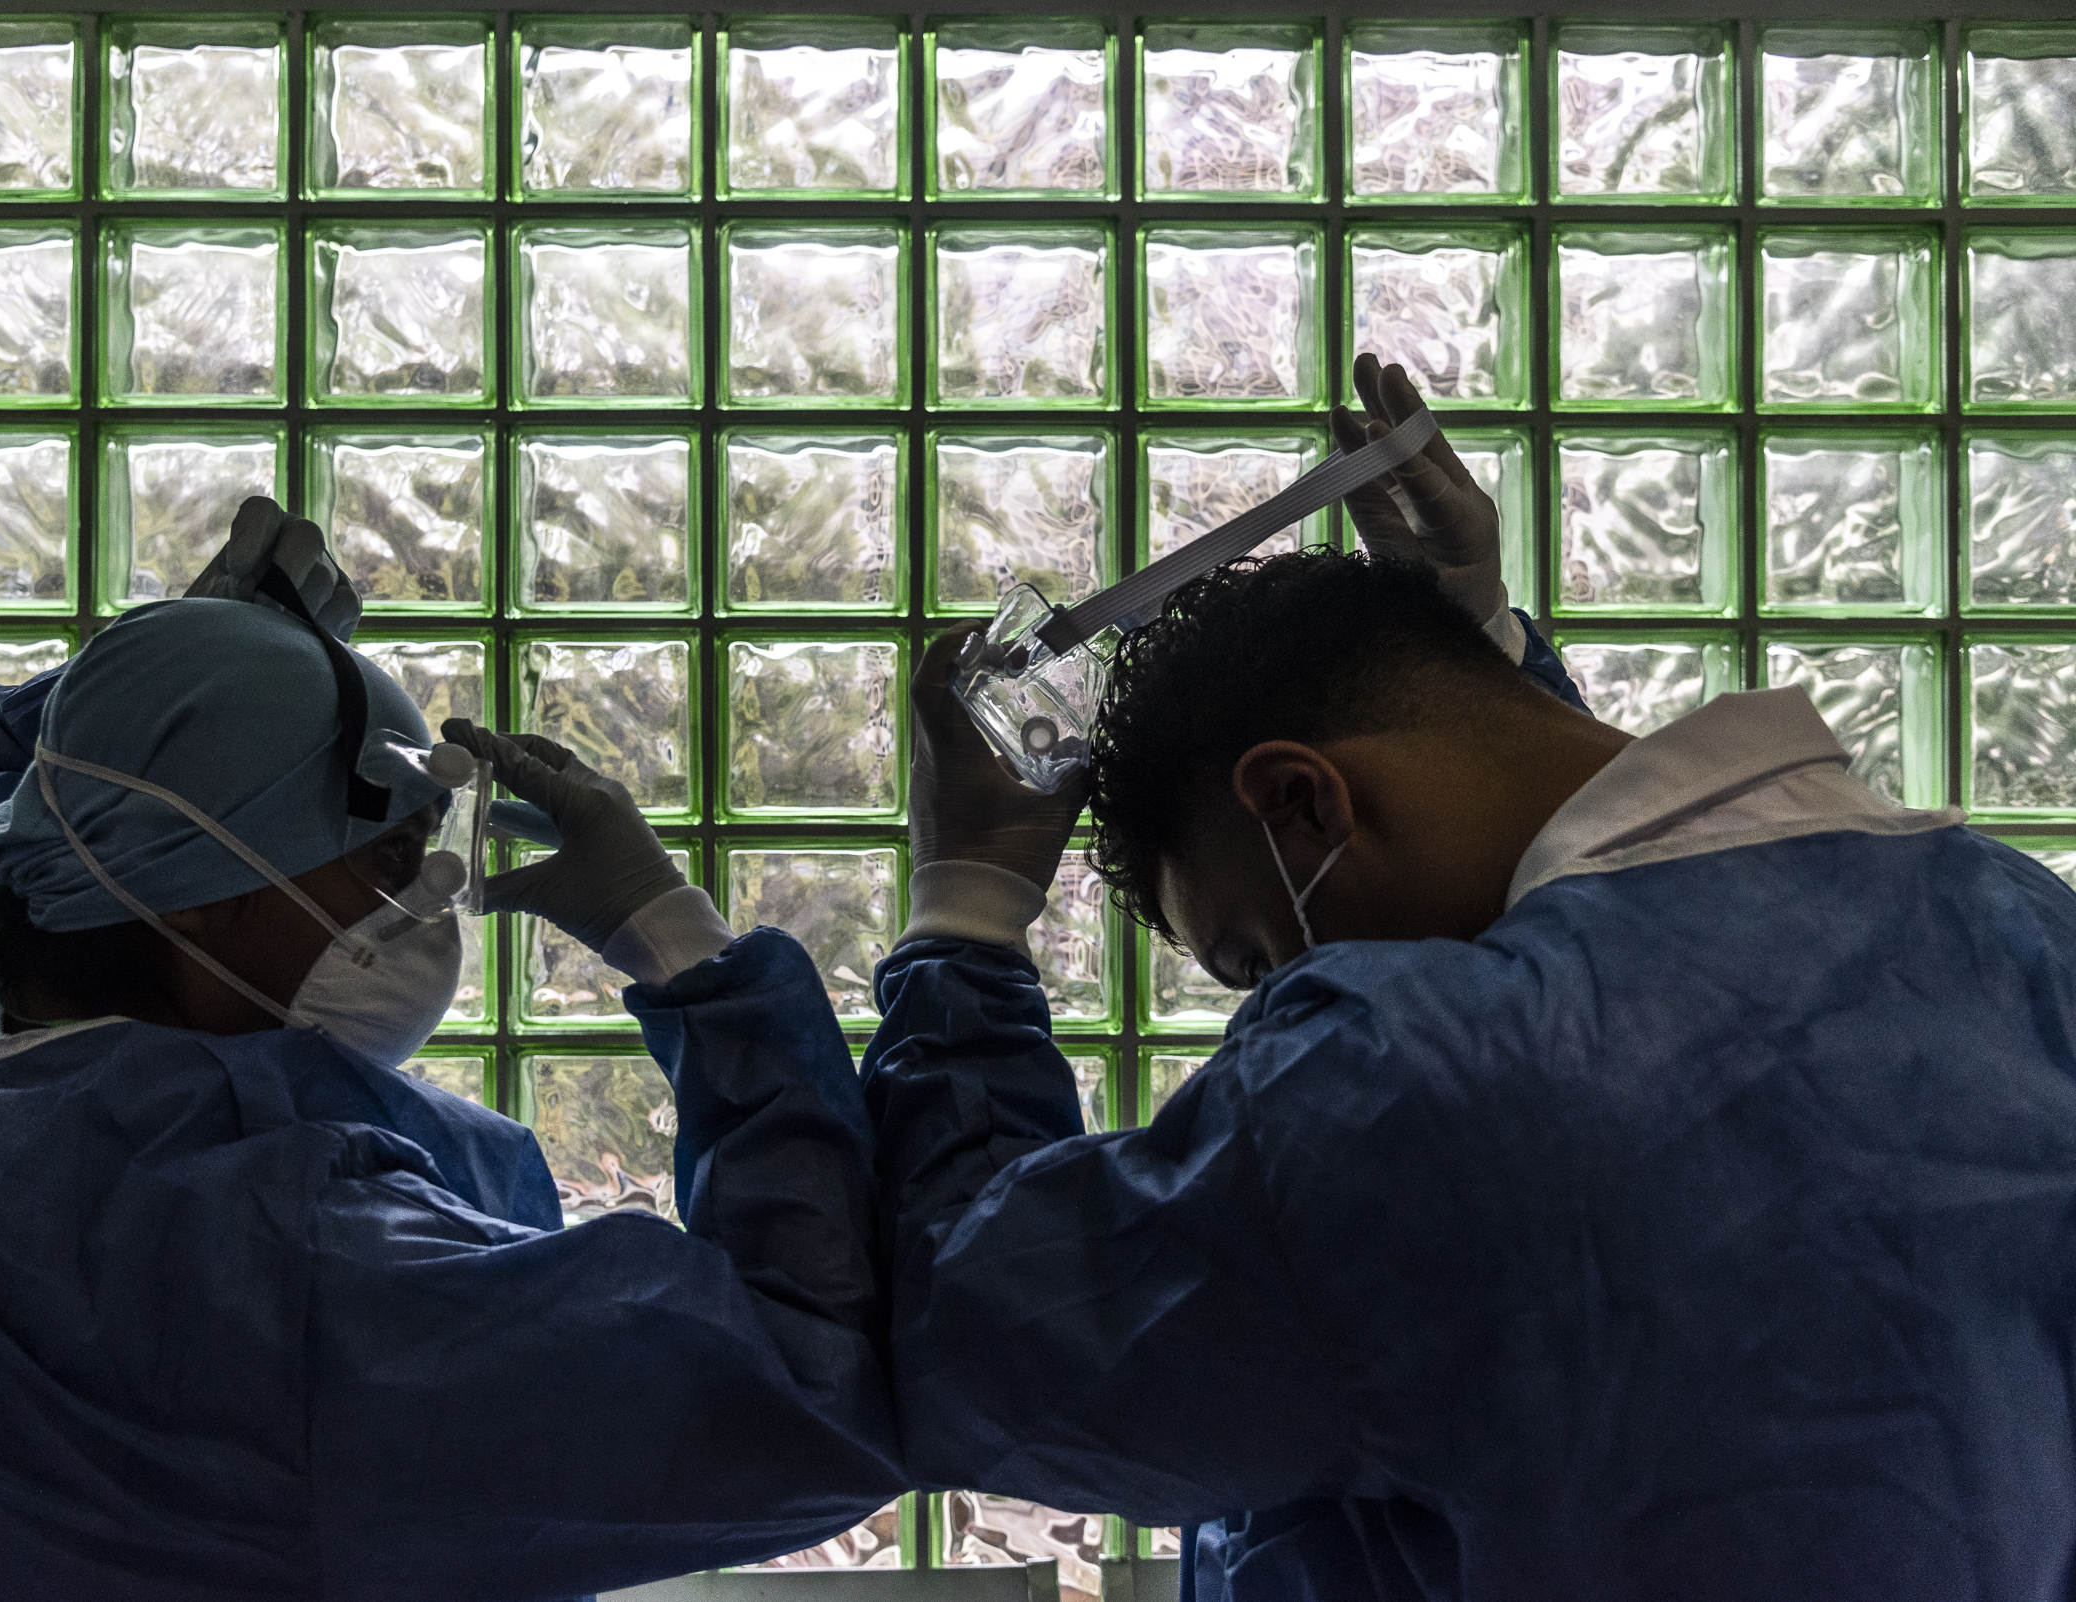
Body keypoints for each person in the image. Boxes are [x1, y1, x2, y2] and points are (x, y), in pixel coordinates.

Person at [864, 357, 2076, 1600]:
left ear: (1299, 801)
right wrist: (1485, 653)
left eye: (1255, 956)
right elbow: (1639, 923)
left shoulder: (1407, 1082)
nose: (1278, 998)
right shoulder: (2023, 928)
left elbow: (965, 1334)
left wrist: (967, 914)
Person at [0, 502, 899, 1600]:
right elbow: (807, 1383)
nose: (429, 903)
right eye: (388, 861)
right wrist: (683, 945)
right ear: (205, 899)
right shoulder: (300, 1271)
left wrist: (161, 683)